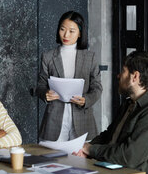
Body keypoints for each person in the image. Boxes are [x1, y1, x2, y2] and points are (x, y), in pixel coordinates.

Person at [71, 51, 148, 174]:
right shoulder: (129, 104)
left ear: (135, 77)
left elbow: (129, 157)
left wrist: (91, 150)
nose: (119, 76)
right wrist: (82, 150)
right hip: (108, 172)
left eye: (123, 71)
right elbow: (108, 136)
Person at [36, 11, 103, 141]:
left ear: (80, 33)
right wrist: (45, 93)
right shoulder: (48, 56)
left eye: (72, 31)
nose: (66, 35)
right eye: (62, 29)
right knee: (51, 159)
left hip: (83, 119)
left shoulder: (90, 57)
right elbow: (40, 85)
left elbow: (97, 87)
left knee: (81, 160)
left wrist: (86, 100)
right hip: (54, 119)